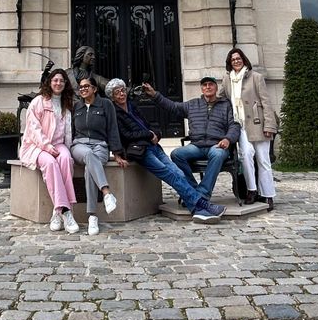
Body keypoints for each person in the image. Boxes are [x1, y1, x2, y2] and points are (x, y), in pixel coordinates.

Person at [106, 78, 227, 224]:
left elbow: (147, 125)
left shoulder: (132, 106)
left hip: (154, 147)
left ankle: (197, 208)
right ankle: (201, 206)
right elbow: (126, 135)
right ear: (112, 96)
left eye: (122, 90)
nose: (121, 94)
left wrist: (157, 134)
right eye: (117, 92)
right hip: (141, 151)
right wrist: (149, 134)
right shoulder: (114, 112)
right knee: (170, 175)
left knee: (179, 174)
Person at [143, 76, 241, 201]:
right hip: (197, 146)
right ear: (201, 89)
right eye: (204, 85)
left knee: (217, 154)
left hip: (216, 145)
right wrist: (154, 95)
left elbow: (234, 125)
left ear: (216, 88)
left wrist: (228, 139)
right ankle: (194, 190)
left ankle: (203, 194)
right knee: (176, 154)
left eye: (210, 84)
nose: (207, 87)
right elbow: (172, 106)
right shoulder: (193, 104)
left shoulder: (226, 105)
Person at [19, 68, 80, 234]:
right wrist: (47, 146)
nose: (58, 83)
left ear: (65, 84)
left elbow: (66, 130)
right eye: (55, 80)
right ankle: (67, 212)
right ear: (50, 82)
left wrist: (67, 148)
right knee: (51, 163)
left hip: (59, 144)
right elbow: (33, 128)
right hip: (37, 146)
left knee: (66, 159)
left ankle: (57, 211)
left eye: (61, 81)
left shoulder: (66, 103)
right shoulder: (39, 101)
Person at [219, 47, 278, 211]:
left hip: (258, 124)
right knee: (245, 156)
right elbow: (220, 98)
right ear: (229, 63)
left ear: (243, 60)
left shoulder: (256, 77)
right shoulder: (227, 79)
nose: (236, 61)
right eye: (233, 60)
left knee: (263, 160)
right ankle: (251, 190)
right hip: (240, 126)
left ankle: (268, 194)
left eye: (238, 58)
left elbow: (266, 102)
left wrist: (269, 125)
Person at [71, 77, 127, 235]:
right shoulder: (77, 106)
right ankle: (107, 192)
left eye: (86, 86)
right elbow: (71, 131)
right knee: (88, 154)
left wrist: (116, 153)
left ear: (95, 89)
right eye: (80, 87)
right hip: (79, 146)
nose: (83, 89)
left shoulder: (105, 104)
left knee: (90, 168)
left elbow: (112, 129)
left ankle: (92, 217)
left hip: (100, 145)